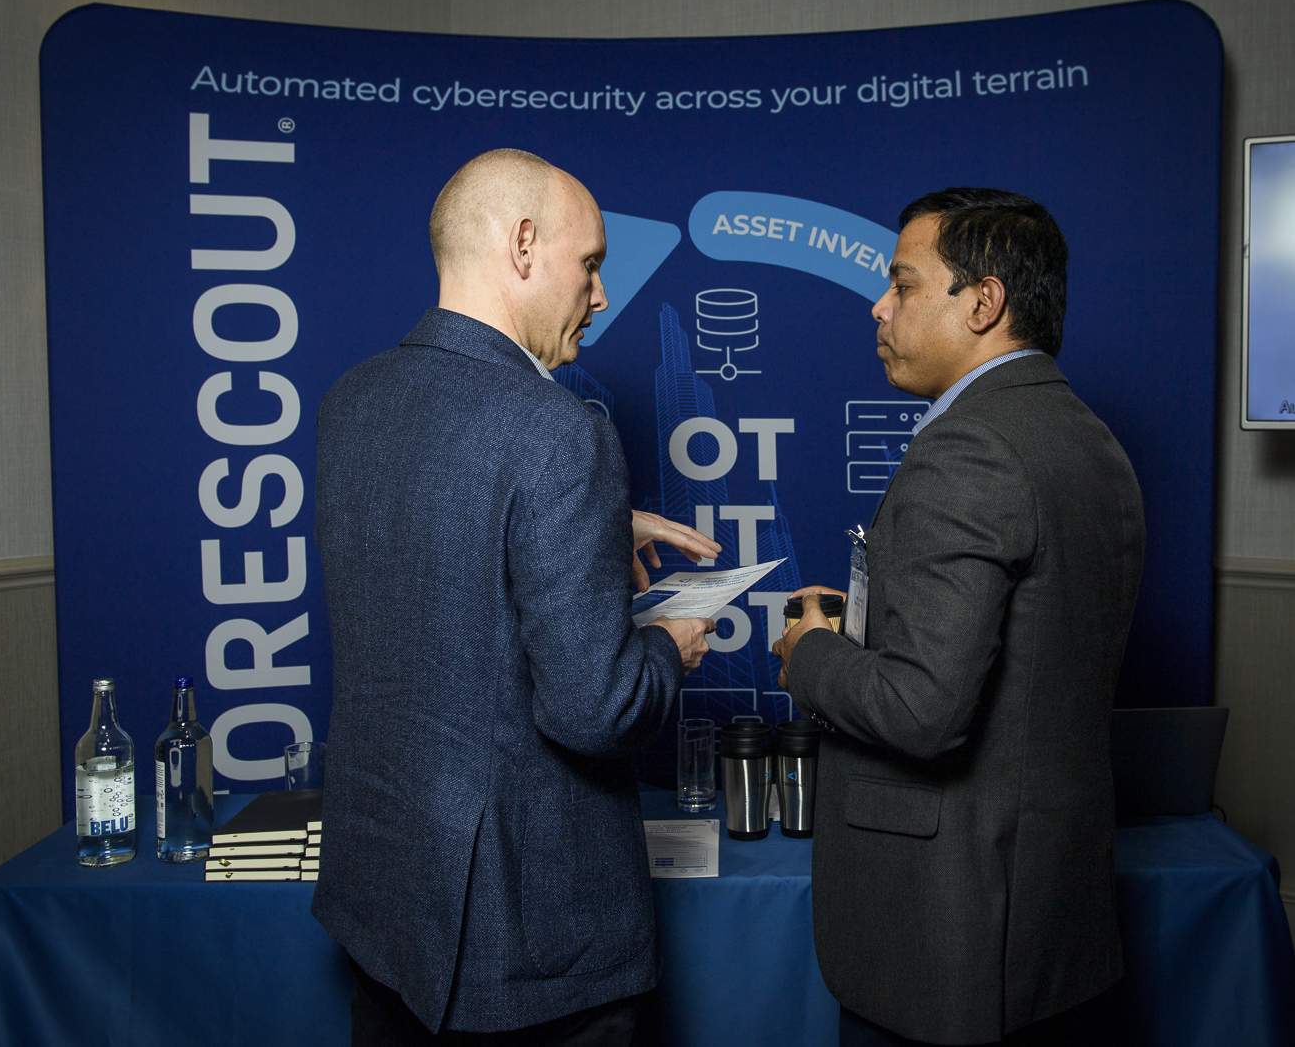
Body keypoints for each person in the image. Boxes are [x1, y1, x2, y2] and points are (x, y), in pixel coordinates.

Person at [311, 148, 718, 1046]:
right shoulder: (559, 432)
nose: (601, 295)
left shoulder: (352, 401)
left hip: (383, 914)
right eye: (592, 263)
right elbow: (596, 711)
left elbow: (432, 553)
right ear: (524, 244)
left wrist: (597, 525)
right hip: (526, 944)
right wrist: (669, 646)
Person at [774, 188, 1145, 1046]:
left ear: (983, 303)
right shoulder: (1085, 436)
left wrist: (813, 652)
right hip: (1046, 922)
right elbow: (1024, 651)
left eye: (903, 285)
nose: (879, 306)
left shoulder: (970, 446)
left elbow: (924, 711)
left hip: (952, 941)